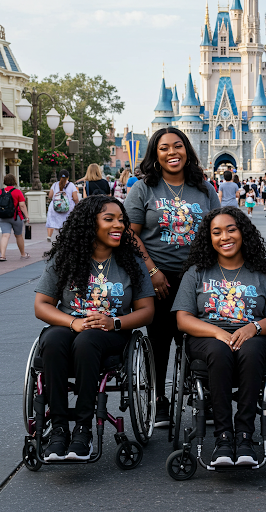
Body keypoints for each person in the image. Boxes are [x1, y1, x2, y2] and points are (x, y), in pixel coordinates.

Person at [34, 195, 155, 461]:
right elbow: (41, 305)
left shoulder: (132, 261)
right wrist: (74, 322)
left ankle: (83, 429)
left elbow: (147, 311)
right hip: (69, 325)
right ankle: (59, 430)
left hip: (111, 333)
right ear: (90, 223)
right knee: (53, 341)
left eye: (121, 220)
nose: (119, 225)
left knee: (87, 341)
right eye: (109, 219)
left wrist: (115, 322)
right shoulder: (66, 258)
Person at [172, 207, 266, 466]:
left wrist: (253, 328)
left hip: (254, 337)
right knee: (219, 350)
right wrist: (218, 332)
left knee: (251, 350)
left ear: (243, 233)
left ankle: (245, 435)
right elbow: (183, 319)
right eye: (216, 232)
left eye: (231, 230)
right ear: (209, 238)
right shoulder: (197, 272)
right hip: (208, 338)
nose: (224, 237)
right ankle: (224, 436)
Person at [124, 127, 220, 427]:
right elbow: (130, 234)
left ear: (187, 151)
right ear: (155, 154)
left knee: (196, 337)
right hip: (158, 278)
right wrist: (152, 271)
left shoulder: (204, 189)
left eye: (177, 146)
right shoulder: (144, 189)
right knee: (160, 338)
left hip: (198, 277)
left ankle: (199, 392)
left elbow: (218, 229)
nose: (171, 153)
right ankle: (158, 398)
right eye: (164, 148)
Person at [0, 174, 30, 261]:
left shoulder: (0, 191)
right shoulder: (17, 192)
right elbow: (22, 205)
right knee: (18, 235)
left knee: (5, 235)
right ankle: (23, 254)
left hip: (3, 217)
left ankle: (2, 255)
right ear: (14, 181)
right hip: (16, 217)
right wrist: (27, 216)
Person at [46, 170, 78, 243]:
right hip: (67, 207)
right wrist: (78, 204)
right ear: (68, 177)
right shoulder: (71, 185)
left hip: (55, 206)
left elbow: (50, 196)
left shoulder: (55, 184)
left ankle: (49, 235)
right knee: (66, 223)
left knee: (52, 221)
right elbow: (75, 198)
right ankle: (64, 237)